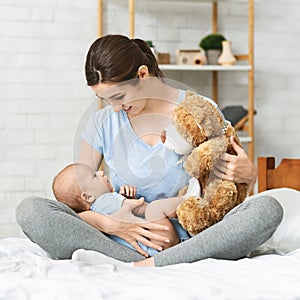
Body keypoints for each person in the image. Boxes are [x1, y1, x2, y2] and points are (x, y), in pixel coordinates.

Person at [16, 34, 283, 267]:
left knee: (267, 208)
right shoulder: (102, 123)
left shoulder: (196, 111)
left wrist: (249, 174)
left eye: (118, 96)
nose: (114, 107)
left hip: (194, 236)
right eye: (104, 99)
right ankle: (149, 262)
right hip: (124, 242)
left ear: (143, 74)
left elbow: (229, 193)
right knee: (31, 210)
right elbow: (76, 200)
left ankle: (162, 261)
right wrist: (114, 225)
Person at [52, 162, 200, 257]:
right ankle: (187, 201)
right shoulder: (104, 200)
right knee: (153, 209)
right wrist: (136, 201)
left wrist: (124, 197)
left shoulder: (98, 209)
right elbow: (140, 208)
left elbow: (125, 213)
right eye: (94, 176)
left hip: (156, 247)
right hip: (160, 237)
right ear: (88, 196)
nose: (101, 173)